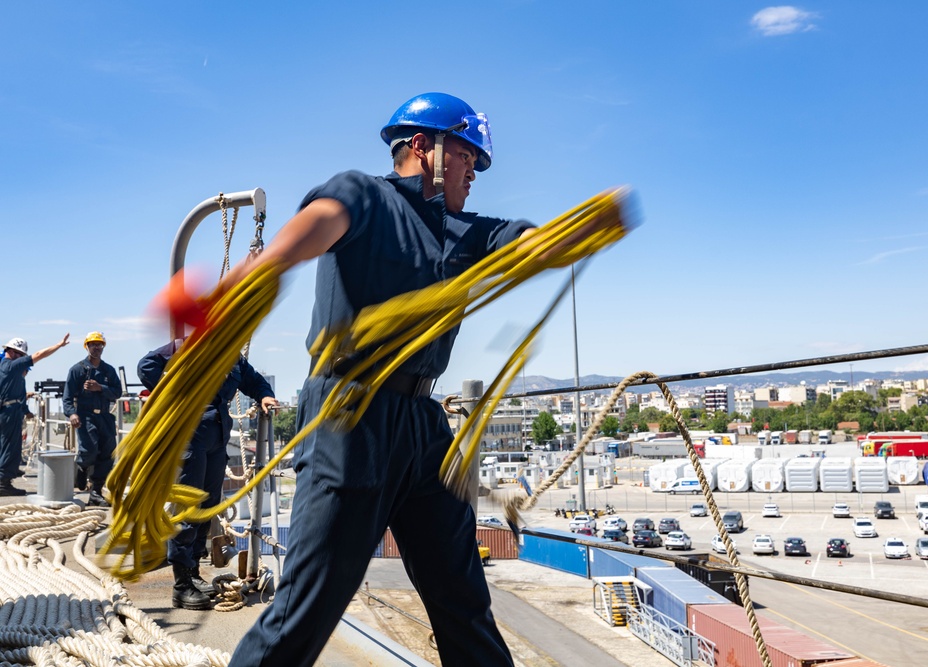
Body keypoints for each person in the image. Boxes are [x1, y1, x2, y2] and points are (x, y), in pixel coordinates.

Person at [199, 92, 619, 667]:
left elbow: (529, 247)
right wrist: (263, 269)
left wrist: (581, 230)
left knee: (463, 598)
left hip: (422, 424)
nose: (474, 172)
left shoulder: (466, 233)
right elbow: (320, 223)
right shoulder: (364, 195)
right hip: (350, 417)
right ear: (424, 148)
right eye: (467, 156)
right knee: (307, 608)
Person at [137, 339, 278, 610]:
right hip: (190, 436)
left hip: (216, 437)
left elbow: (253, 380)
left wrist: (264, 395)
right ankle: (181, 586)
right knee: (188, 508)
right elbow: (146, 366)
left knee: (207, 505)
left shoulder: (234, 357)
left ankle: (193, 573)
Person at [0, 334, 71, 495]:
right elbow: (39, 355)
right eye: (20, 355)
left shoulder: (10, 371)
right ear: (12, 352)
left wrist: (26, 412)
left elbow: (17, 395)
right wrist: (58, 345)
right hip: (9, 413)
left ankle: (5, 476)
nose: (21, 359)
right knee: (9, 447)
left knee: (7, 446)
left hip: (10, 410)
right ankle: (3, 483)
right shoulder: (12, 366)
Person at [63, 331, 122, 507]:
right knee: (89, 449)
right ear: (86, 346)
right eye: (93, 344)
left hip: (104, 416)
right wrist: (72, 414)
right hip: (85, 416)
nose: (96, 347)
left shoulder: (108, 370)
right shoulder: (77, 370)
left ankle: (96, 493)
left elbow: (117, 392)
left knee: (107, 453)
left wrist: (100, 388)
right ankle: (82, 467)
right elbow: (67, 397)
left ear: (103, 347)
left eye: (99, 344)